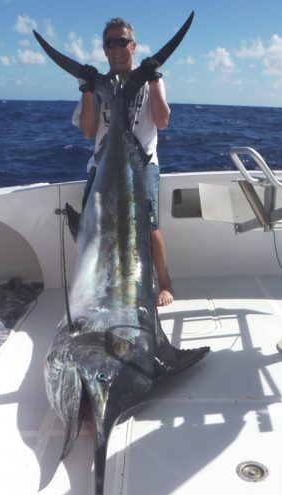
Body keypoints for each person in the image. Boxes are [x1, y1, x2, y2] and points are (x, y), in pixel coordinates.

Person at [72, 17, 174, 306]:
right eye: (110, 43)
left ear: (133, 45)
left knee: (149, 226)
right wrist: (88, 90)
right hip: (102, 164)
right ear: (104, 49)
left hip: (142, 163)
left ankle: (165, 283)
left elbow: (162, 122)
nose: (116, 48)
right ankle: (101, 283)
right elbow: (89, 131)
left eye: (122, 41)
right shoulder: (96, 85)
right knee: (90, 226)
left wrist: (152, 79)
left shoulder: (150, 81)